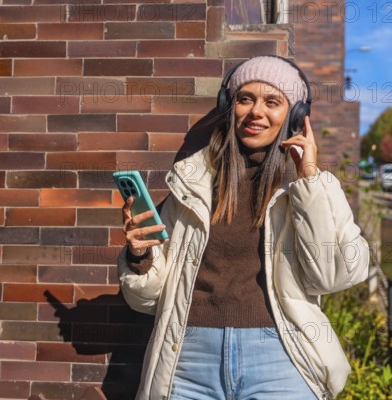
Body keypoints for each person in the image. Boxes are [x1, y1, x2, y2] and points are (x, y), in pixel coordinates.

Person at [117, 55, 370, 400]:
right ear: (229, 105)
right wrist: (140, 255)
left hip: (280, 358)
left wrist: (309, 178)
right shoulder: (191, 186)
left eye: (273, 101)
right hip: (188, 359)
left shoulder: (309, 188)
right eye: (245, 98)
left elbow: (332, 276)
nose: (256, 112)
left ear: (295, 115)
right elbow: (147, 300)